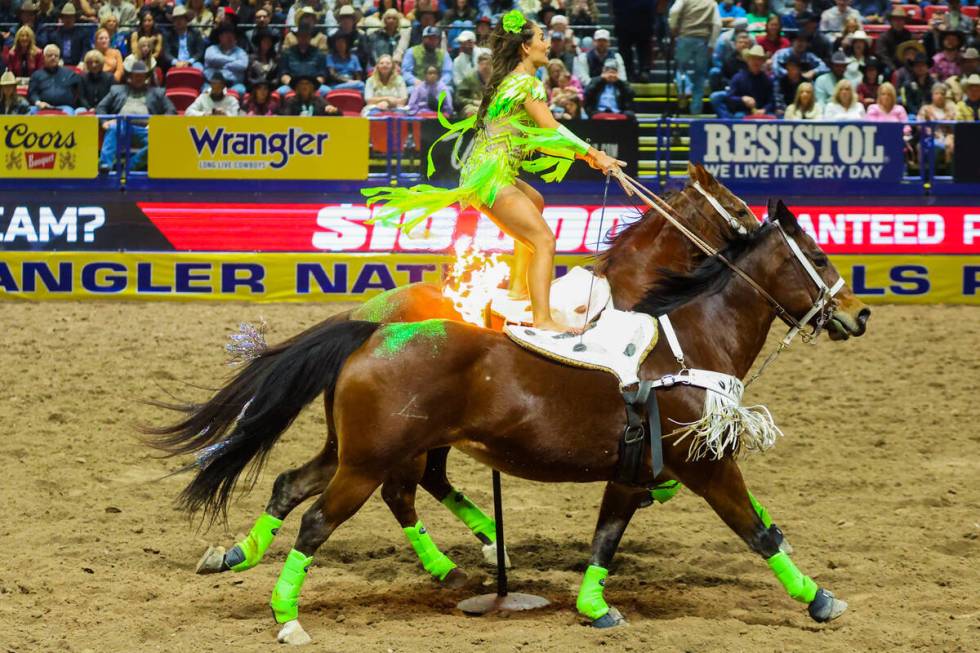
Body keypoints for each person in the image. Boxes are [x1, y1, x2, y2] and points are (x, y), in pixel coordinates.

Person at [361, 12, 624, 332]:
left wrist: (588, 159)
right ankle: (542, 320)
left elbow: (542, 141)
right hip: (492, 177)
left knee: (536, 201)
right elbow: (552, 128)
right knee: (544, 242)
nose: (547, 43)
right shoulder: (528, 83)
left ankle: (517, 291)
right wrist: (594, 153)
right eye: (541, 37)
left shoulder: (511, 80)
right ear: (525, 48)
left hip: (485, 174)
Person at [96, 61, 175, 171]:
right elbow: (101, 107)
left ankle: (129, 166)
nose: (138, 78)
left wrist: (157, 124)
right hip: (121, 126)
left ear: (146, 77)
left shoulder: (158, 92)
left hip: (146, 129)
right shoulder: (116, 90)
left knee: (158, 141)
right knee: (113, 128)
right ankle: (105, 165)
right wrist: (105, 121)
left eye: (141, 76)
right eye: (136, 75)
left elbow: (171, 110)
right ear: (130, 77)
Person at [669, 0, 720, 114]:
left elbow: (674, 11)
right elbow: (717, 24)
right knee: (700, 75)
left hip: (685, 37)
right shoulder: (711, 3)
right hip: (702, 40)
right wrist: (712, 43)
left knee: (681, 68)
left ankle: (684, 89)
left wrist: (673, 26)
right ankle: (695, 111)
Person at [713, 44, 774, 118]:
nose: (756, 62)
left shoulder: (767, 80)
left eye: (759, 59)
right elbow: (730, 98)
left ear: (762, 62)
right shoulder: (738, 77)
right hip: (742, 112)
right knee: (739, 116)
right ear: (748, 60)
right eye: (753, 58)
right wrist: (742, 99)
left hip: (761, 113)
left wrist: (764, 110)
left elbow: (771, 101)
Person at [28, 44, 81, 114]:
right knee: (28, 111)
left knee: (70, 114)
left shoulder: (69, 73)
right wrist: (38, 102)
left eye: (56, 56)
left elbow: (80, 88)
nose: (53, 58)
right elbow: (32, 93)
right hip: (42, 106)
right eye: (50, 55)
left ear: (59, 58)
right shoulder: (36, 75)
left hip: (64, 107)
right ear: (44, 57)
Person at [278, 24, 329, 96]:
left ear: (310, 37)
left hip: (313, 85)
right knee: (280, 92)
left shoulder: (319, 54)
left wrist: (311, 86)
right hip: (292, 85)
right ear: (297, 37)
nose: (304, 38)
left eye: (306, 36)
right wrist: (293, 85)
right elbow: (284, 74)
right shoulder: (287, 53)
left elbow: (322, 74)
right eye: (301, 36)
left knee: (327, 91)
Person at [612, 0, 653, 81]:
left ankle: (643, 71)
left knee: (643, 48)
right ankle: (629, 73)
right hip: (626, 20)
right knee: (626, 50)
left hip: (642, 20)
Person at [918, 82, 956, 167]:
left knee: (952, 144)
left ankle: (949, 174)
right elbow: (920, 125)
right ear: (932, 95)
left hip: (947, 137)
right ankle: (931, 177)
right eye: (936, 93)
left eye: (942, 94)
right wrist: (932, 134)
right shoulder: (926, 109)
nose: (939, 96)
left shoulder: (950, 110)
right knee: (936, 147)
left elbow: (953, 126)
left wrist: (949, 136)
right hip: (930, 137)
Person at [204, 23, 248, 94]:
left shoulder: (241, 51)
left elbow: (243, 65)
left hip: (233, 85)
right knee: (205, 91)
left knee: (240, 90)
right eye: (227, 34)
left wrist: (222, 64)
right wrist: (233, 60)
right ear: (220, 37)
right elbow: (212, 59)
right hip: (211, 84)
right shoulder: (211, 49)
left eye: (232, 35)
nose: (230, 37)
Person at [165, 6, 206, 70]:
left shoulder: (195, 33)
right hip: (175, 64)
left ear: (186, 20)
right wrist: (176, 62)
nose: (178, 21)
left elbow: (200, 52)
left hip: (193, 62)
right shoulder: (169, 35)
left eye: (181, 18)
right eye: (176, 19)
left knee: (199, 69)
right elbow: (166, 53)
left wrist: (189, 62)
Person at [875, 7, 913, 76]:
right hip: (889, 66)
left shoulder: (908, 35)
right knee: (887, 71)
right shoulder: (884, 37)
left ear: (904, 21)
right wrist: (893, 69)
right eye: (896, 20)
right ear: (891, 21)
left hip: (906, 65)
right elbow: (882, 55)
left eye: (901, 20)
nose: (898, 22)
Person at [457, 50, 491, 116]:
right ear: (478, 65)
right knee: (471, 110)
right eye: (482, 64)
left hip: (491, 107)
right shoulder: (469, 79)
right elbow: (459, 98)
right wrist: (474, 102)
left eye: (487, 64)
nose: (485, 67)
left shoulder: (496, 79)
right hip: (474, 107)